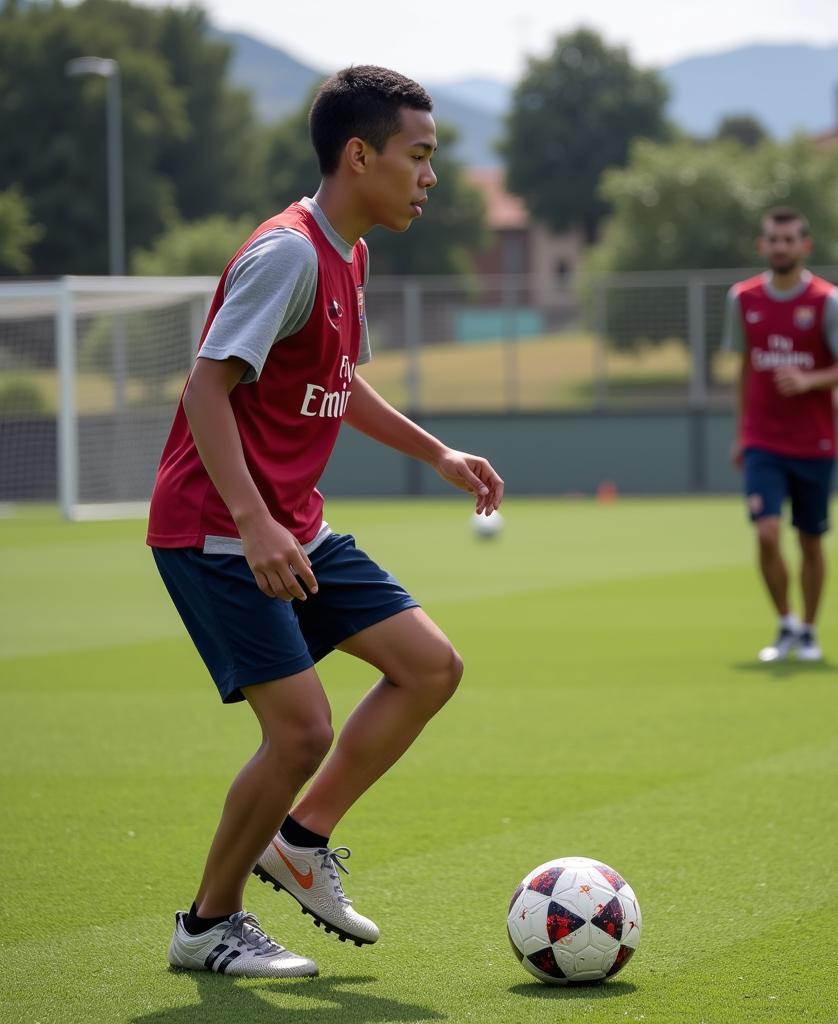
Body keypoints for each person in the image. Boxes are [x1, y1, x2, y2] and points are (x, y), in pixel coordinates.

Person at [146, 66, 504, 978]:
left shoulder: (350, 251)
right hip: (216, 530)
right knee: (299, 730)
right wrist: (254, 522)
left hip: (291, 525)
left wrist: (437, 454)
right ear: (360, 155)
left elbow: (341, 387)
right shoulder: (290, 252)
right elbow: (205, 387)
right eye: (418, 156)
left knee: (430, 667)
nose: (431, 177)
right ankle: (207, 927)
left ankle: (301, 841)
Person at [723, 207, 838, 663]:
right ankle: (785, 622)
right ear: (762, 246)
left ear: (806, 246)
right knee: (766, 533)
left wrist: (810, 381)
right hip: (763, 440)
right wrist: (741, 433)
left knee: (809, 539)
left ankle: (810, 630)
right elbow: (745, 367)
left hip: (814, 441)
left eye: (789, 240)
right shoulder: (742, 298)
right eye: (773, 240)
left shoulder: (828, 300)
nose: (780, 247)